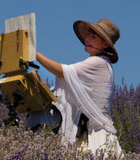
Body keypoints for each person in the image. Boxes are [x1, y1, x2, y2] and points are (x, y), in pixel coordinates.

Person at [29, 18, 123, 157]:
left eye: (93, 36)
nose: (87, 38)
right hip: (87, 136)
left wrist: (33, 53)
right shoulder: (100, 64)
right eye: (88, 35)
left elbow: (62, 72)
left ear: (104, 44)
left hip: (96, 139)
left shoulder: (98, 63)